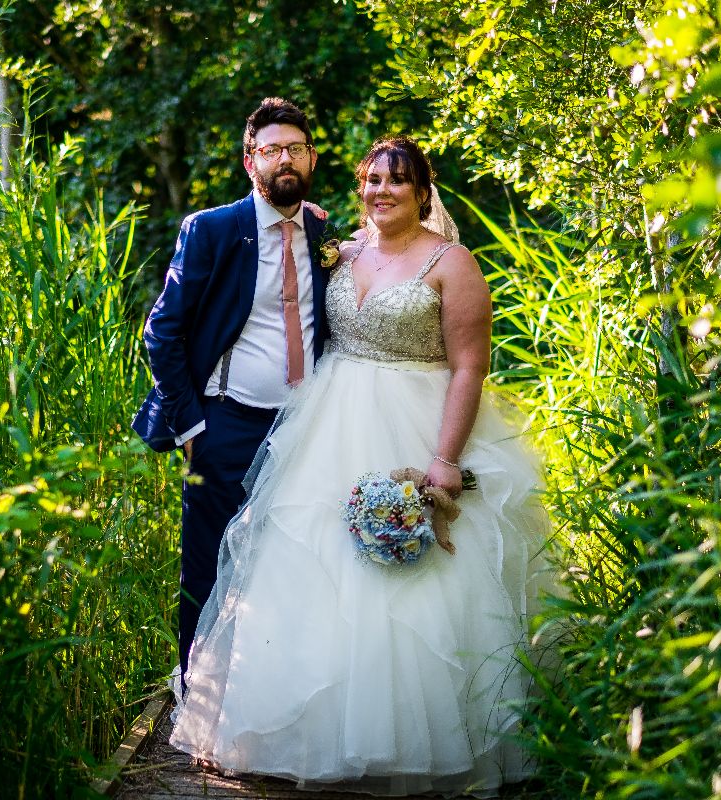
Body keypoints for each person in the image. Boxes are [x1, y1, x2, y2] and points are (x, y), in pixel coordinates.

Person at [168, 136, 552, 797]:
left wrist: (443, 460)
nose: (380, 191)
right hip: (328, 425)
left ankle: (411, 740)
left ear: (423, 192)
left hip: (417, 422)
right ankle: (294, 732)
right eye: (371, 180)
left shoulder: (450, 263)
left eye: (396, 182)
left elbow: (469, 366)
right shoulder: (341, 253)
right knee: (307, 567)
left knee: (423, 585)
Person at [132, 98, 332, 680]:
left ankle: (272, 687)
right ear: (250, 163)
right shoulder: (213, 230)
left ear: (311, 158)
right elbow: (161, 332)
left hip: (305, 427)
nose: (285, 160)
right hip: (225, 423)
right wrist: (192, 425)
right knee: (208, 564)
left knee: (294, 562)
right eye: (271, 150)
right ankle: (195, 690)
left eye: (295, 148)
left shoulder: (322, 230)